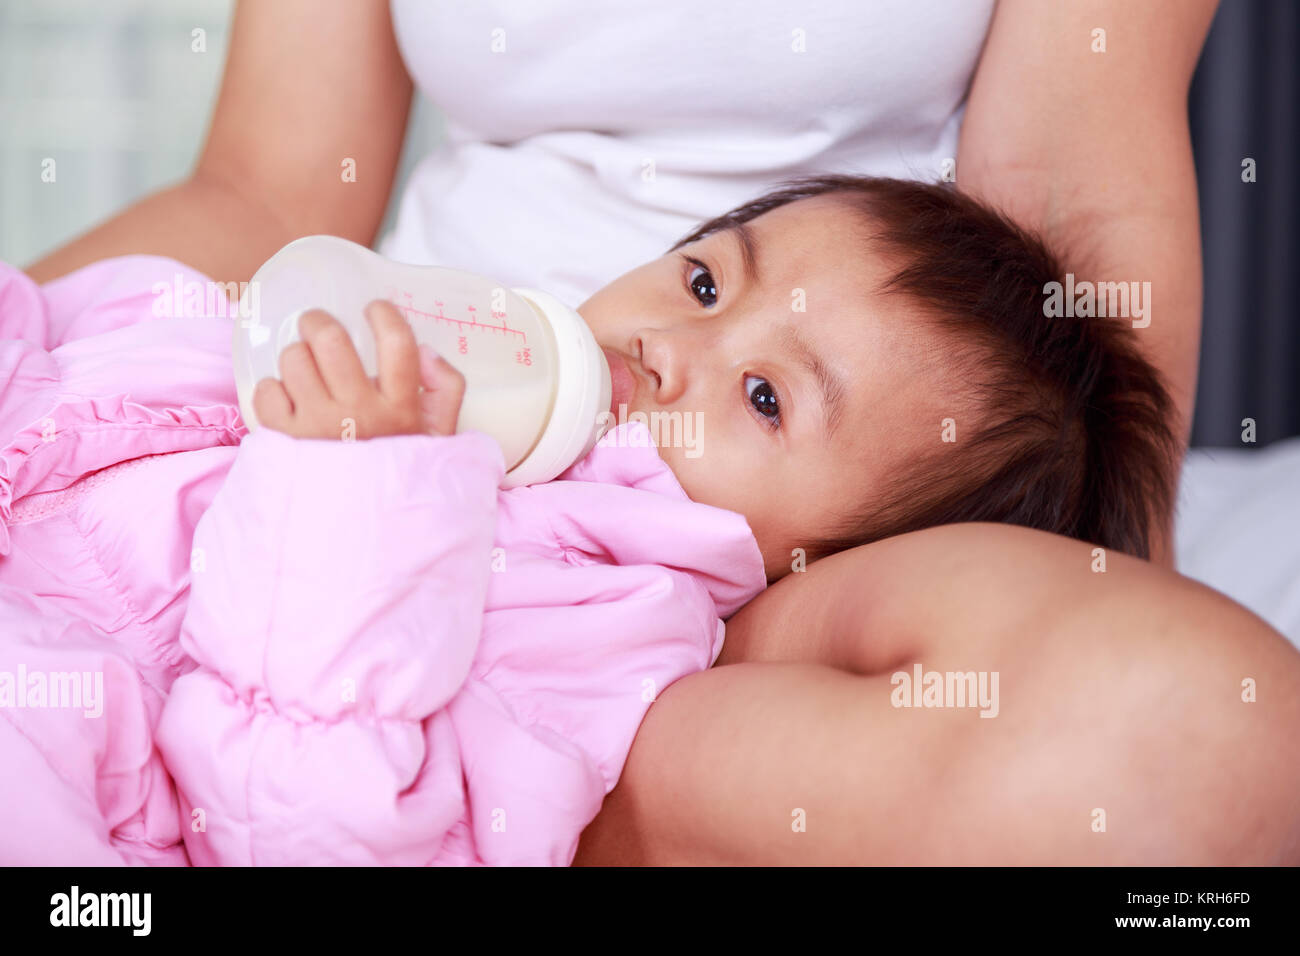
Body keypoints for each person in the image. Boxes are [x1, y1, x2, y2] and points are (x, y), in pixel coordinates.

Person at [23, 0, 1300, 863]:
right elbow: (240, 215)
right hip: (409, 380)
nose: (667, 350)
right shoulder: (347, 379)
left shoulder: (595, 620)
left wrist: (353, 498)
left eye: (757, 391)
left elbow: (301, 798)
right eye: (697, 282)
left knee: (1186, 742)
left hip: (830, 490)